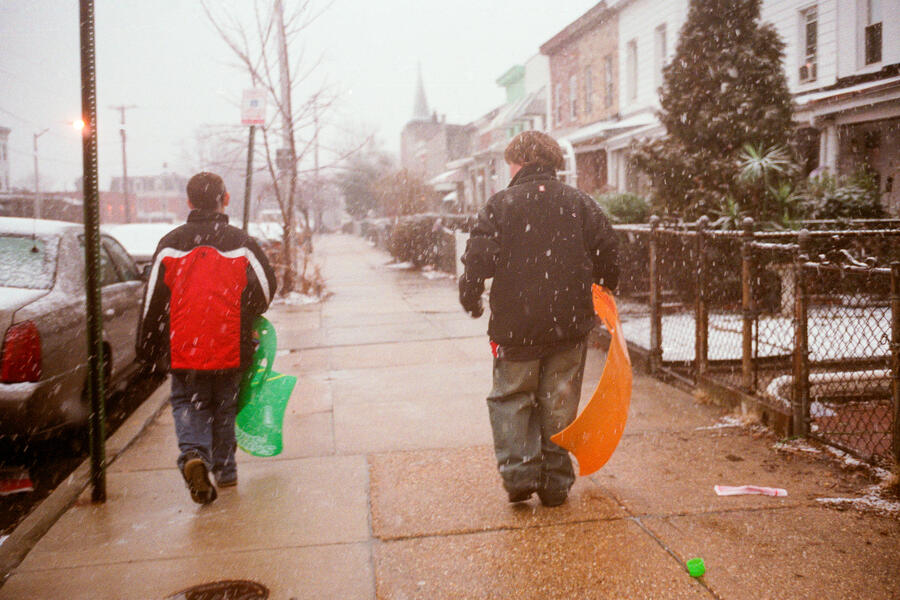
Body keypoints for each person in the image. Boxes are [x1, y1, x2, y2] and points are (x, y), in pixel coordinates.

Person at [459, 131, 619, 507]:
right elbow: (608, 249)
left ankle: (518, 475)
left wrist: (471, 296)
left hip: (516, 328)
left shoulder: (501, 205)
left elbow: (477, 259)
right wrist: (604, 288)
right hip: (569, 324)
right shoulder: (579, 203)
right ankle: (555, 482)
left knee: (512, 398)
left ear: (519, 162)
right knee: (559, 401)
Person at [137, 172, 277, 505]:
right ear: (225, 199)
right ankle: (226, 472)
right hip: (230, 342)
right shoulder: (240, 242)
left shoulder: (170, 244)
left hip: (185, 346)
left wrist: (147, 348)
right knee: (225, 405)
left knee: (190, 403)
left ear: (188, 202)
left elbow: (152, 301)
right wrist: (243, 311)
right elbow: (267, 285)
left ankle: (194, 455)